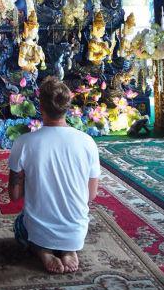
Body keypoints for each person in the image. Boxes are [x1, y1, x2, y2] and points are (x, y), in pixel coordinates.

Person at [8, 76, 100, 274]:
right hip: (75, 230)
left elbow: (14, 195)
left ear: (41, 107)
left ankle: (43, 251)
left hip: (37, 232)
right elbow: (90, 195)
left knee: (19, 225)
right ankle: (68, 248)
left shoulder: (24, 142)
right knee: (70, 224)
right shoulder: (87, 142)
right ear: (67, 106)